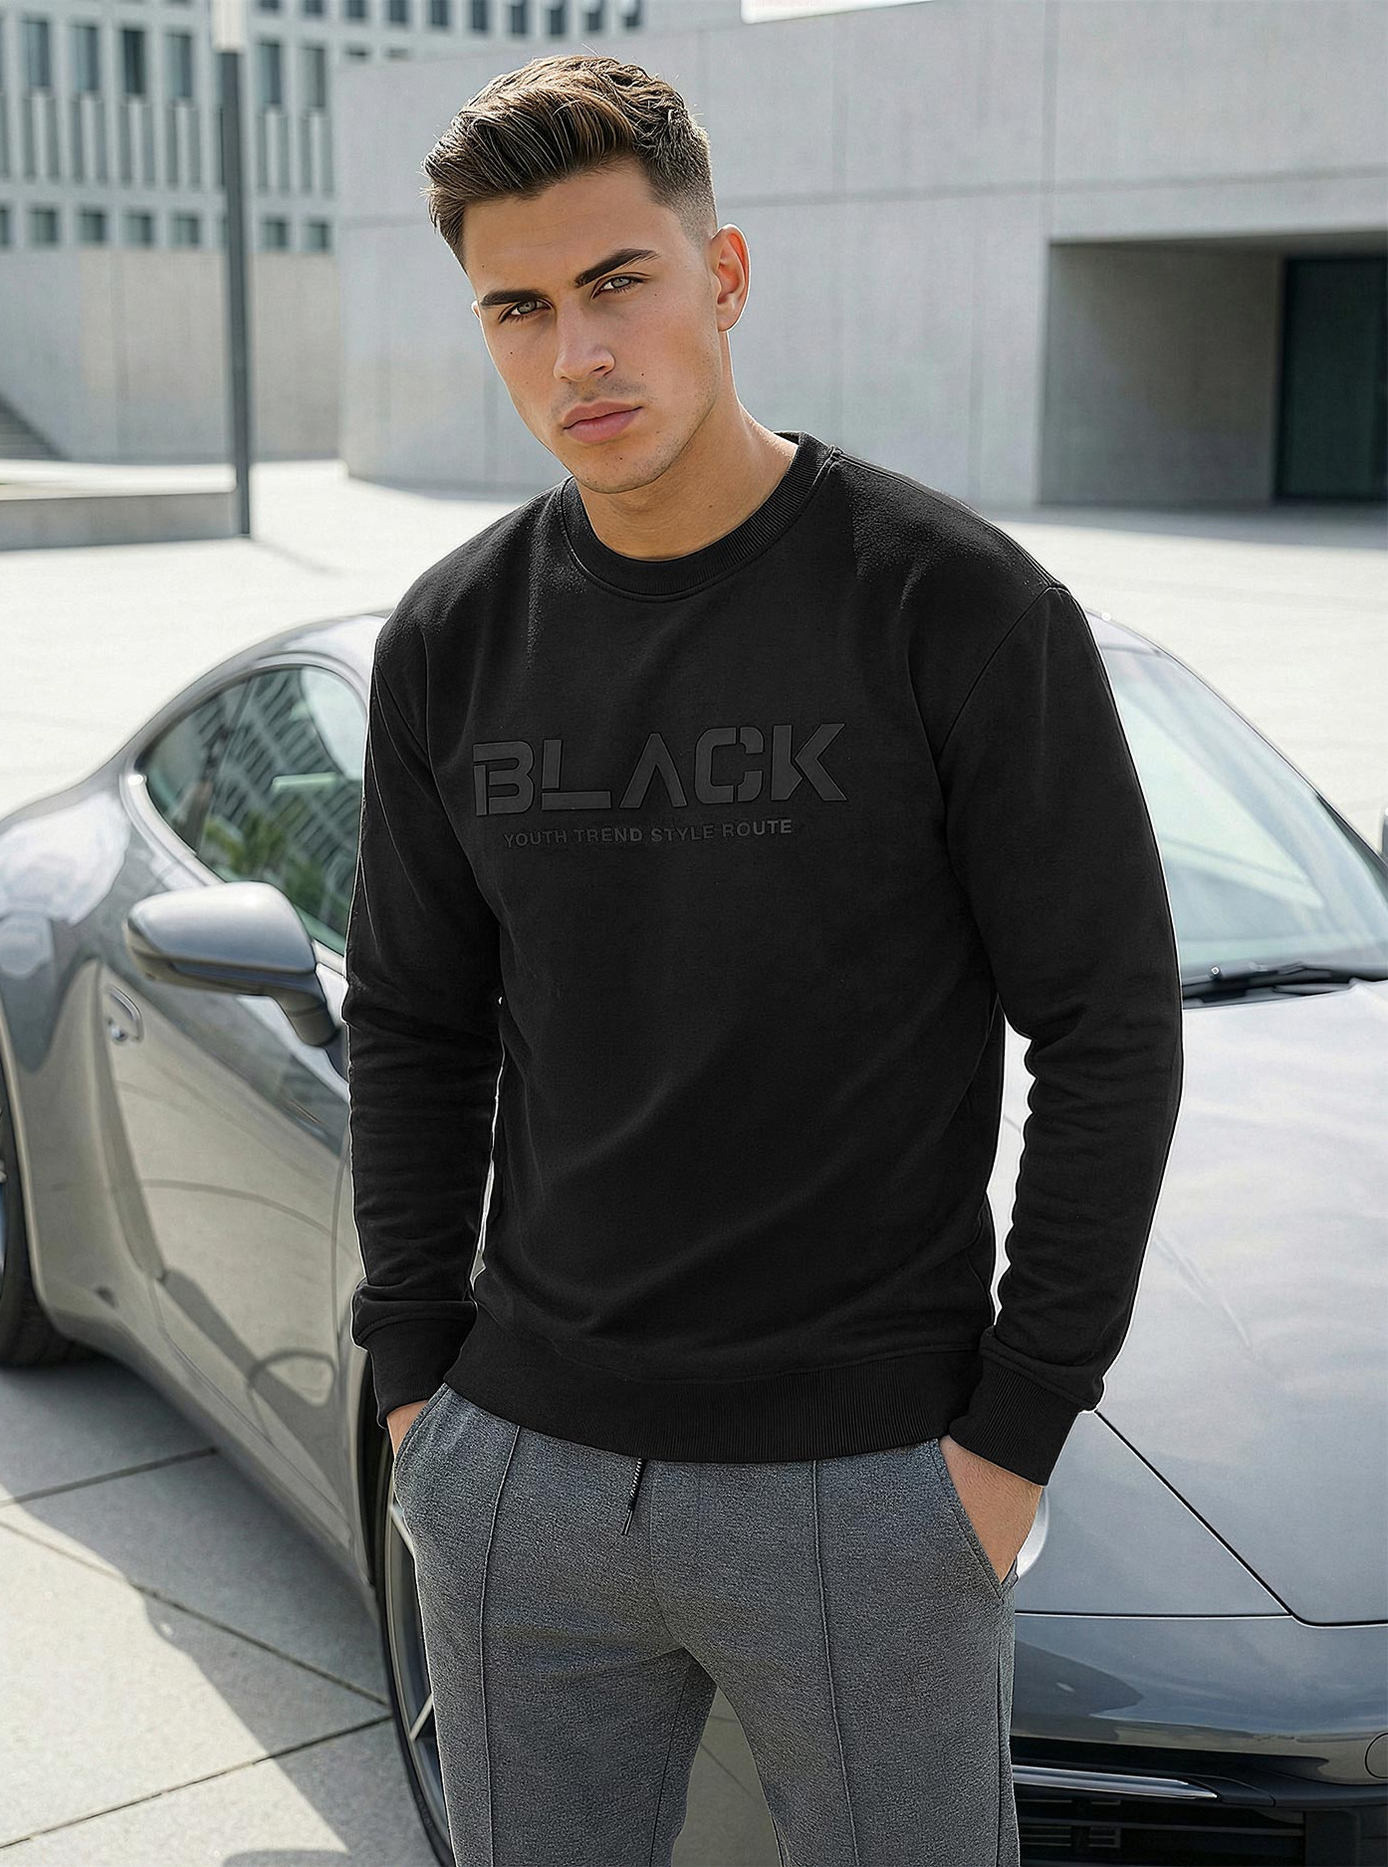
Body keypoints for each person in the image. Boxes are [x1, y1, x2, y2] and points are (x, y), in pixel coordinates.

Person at [342, 51, 1184, 1867]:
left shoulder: (951, 605)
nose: (576, 352)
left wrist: (1007, 1442)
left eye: (617, 282)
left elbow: (1108, 1028)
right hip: (521, 1475)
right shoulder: (451, 638)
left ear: (720, 277)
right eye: (518, 308)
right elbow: (410, 1024)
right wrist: (420, 1391)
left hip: (866, 1488)